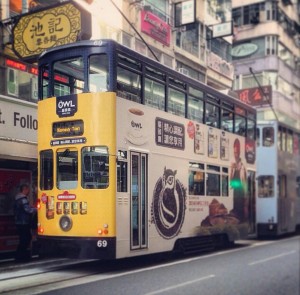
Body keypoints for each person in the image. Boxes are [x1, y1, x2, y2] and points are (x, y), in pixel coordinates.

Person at [14, 184, 37, 262]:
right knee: (26, 239)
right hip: (24, 222)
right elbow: (27, 210)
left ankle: (20, 256)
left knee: (23, 239)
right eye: (28, 190)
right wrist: (37, 209)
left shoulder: (17, 198)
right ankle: (21, 256)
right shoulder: (23, 199)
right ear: (25, 189)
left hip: (18, 222)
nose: (29, 191)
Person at [230, 138, 247, 221]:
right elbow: (230, 180)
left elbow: (244, 180)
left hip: (241, 190)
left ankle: (241, 219)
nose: (235, 154)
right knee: (235, 204)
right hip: (235, 189)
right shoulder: (232, 164)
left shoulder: (243, 165)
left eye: (236, 152)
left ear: (239, 152)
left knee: (240, 205)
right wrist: (231, 168)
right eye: (234, 152)